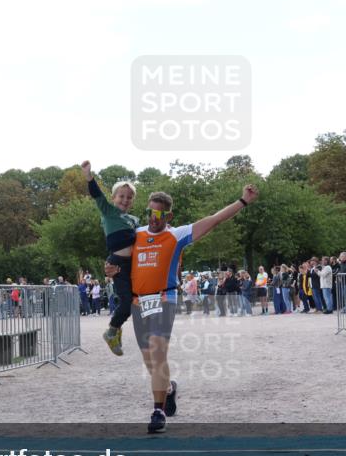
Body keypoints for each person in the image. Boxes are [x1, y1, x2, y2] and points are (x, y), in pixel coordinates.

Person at [105, 184, 259, 433]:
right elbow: (119, 257)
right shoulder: (137, 233)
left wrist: (242, 201)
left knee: (157, 353)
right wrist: (110, 268)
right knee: (149, 361)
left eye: (158, 215)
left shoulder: (176, 234)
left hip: (164, 298)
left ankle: (157, 411)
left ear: (168, 216)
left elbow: (214, 220)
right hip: (137, 301)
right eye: (149, 213)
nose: (152, 219)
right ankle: (167, 389)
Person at [82, 161, 140, 355]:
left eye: (129, 197)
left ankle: (120, 330)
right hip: (118, 264)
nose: (125, 200)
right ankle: (112, 331)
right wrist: (89, 176)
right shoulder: (109, 212)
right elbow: (97, 195)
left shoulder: (134, 220)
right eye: (122, 196)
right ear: (114, 198)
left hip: (134, 265)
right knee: (126, 303)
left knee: (135, 300)